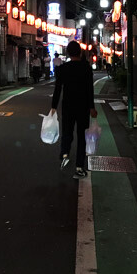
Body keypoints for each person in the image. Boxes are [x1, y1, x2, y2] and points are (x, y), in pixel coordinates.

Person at [49, 41, 96, 179]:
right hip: (82, 106)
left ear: (68, 53)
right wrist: (92, 107)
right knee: (82, 137)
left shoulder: (63, 68)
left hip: (68, 105)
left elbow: (58, 88)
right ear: (80, 52)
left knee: (67, 132)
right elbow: (90, 89)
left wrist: (53, 106)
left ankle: (65, 152)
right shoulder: (86, 68)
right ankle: (79, 168)